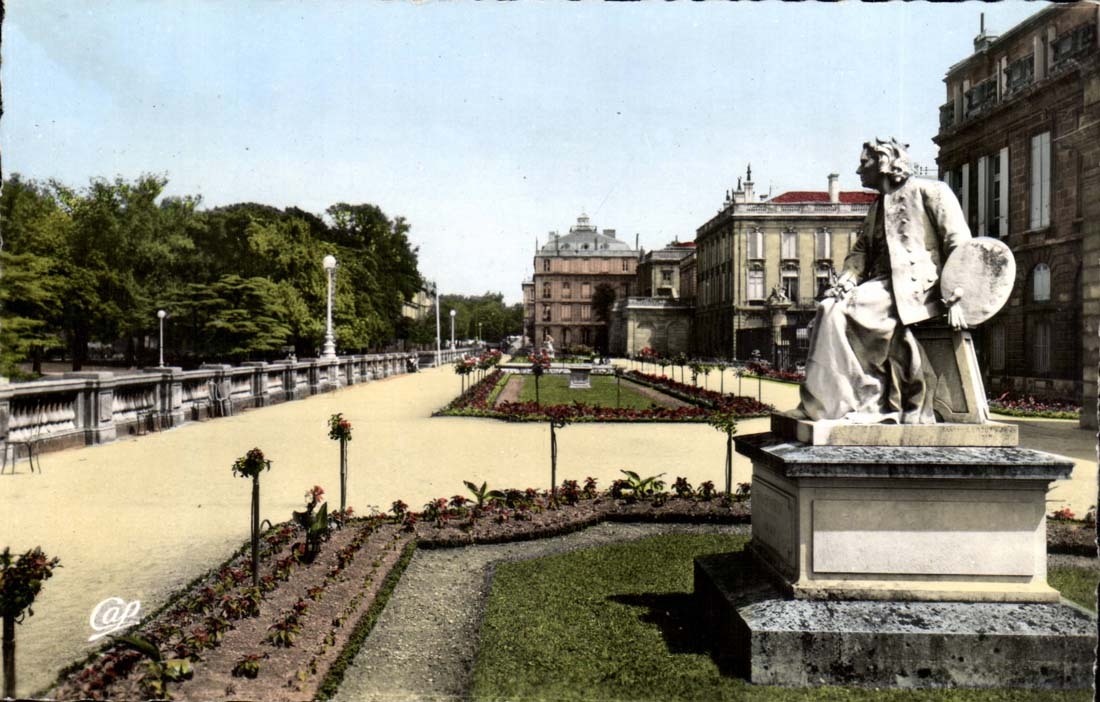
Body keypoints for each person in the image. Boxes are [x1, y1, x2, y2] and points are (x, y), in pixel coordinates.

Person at [797, 138, 971, 424]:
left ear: (883, 162)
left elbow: (960, 244)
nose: (858, 170)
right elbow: (860, 252)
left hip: (919, 288)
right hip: (882, 286)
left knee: (841, 313)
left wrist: (956, 294)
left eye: (863, 163)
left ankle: (863, 399)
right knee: (828, 307)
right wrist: (848, 279)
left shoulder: (932, 191)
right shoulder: (876, 207)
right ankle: (829, 403)